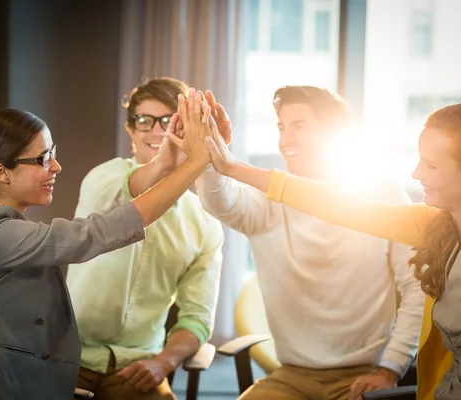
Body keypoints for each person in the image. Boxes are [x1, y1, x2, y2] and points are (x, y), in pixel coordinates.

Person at [188, 100, 461, 400]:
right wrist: (230, 166)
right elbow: (334, 205)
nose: (416, 174)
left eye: (431, 165)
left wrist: (390, 368)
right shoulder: (433, 226)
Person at [0, 95, 213, 400]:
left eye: (53, 153)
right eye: (43, 159)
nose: (57, 167)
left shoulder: (1, 224)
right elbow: (96, 233)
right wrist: (196, 163)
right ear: (1, 172)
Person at [171, 87, 424, 400]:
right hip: (291, 376)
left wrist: (390, 369)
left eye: (299, 126)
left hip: (365, 374)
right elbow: (220, 202)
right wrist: (209, 153)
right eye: (281, 127)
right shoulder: (268, 199)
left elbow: (417, 288)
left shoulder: (380, 193)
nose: (285, 140)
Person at [66, 79, 223, 400]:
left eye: (170, 121)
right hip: (66, 354)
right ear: (131, 130)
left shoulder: (204, 222)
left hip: (137, 365)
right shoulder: (103, 178)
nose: (159, 131)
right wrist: (166, 164)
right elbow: (132, 191)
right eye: (145, 120)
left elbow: (197, 316)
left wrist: (163, 362)